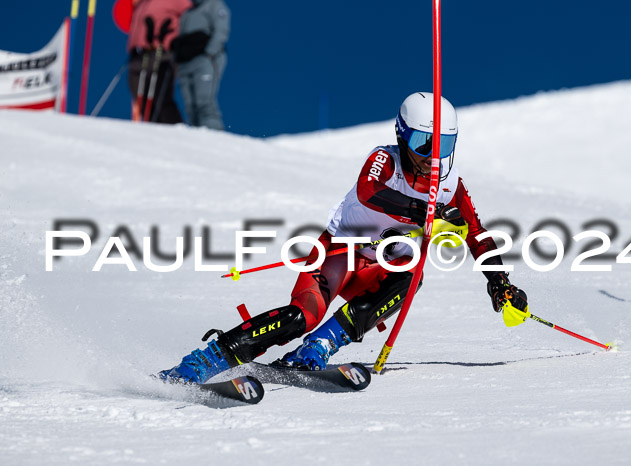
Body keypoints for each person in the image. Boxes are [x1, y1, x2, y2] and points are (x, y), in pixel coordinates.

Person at [158, 92, 530, 383]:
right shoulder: (385, 160)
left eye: (443, 146)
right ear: (402, 136)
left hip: (380, 272)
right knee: (302, 316)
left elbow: (477, 236)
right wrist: (425, 213)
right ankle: (209, 358)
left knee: (411, 275)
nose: (432, 157)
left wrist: (500, 283)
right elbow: (370, 192)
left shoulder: (450, 186)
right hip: (339, 253)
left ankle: (320, 346)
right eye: (422, 143)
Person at [127, 0, 191, 124]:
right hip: (139, 53)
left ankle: (178, 132)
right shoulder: (141, 3)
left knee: (160, 97)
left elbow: (191, 15)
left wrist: (174, 35)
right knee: (142, 99)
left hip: (163, 52)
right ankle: (155, 133)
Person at [171, 0, 230, 130]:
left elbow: (221, 30)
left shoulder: (214, 5)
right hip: (185, 63)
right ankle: (197, 140)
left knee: (204, 103)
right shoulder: (187, 13)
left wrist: (210, 53)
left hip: (205, 60)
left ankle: (215, 137)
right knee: (191, 107)